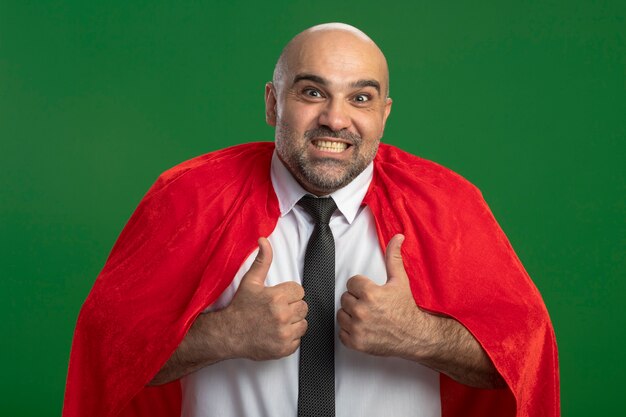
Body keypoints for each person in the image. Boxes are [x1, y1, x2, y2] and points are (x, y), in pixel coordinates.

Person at [63, 23, 559, 417]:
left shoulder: (449, 205)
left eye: (360, 98)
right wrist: (223, 335)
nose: (336, 119)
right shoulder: (187, 198)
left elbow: (523, 363)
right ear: (273, 103)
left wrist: (421, 334)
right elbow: (104, 358)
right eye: (312, 93)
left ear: (384, 115)